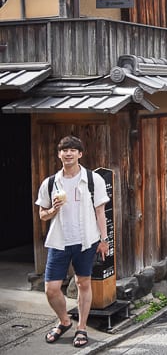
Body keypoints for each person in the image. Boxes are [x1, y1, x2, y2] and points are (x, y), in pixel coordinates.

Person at [35, 136, 110, 348]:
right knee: (51, 289)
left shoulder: (93, 180)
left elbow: (100, 212)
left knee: (83, 283)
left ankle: (82, 328)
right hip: (59, 241)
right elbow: (42, 214)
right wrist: (53, 210)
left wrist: (104, 240)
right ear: (59, 154)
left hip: (86, 241)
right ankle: (65, 321)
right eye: (64, 150)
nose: (68, 153)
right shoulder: (50, 183)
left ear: (80, 154)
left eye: (72, 150)